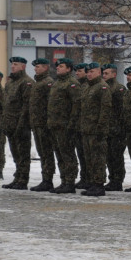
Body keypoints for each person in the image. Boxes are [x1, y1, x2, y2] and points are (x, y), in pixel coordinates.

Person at [78, 62, 112, 197]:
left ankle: (99, 185)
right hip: (87, 129)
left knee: (98, 158)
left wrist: (101, 128)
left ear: (99, 72)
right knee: (89, 158)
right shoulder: (87, 87)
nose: (89, 74)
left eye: (92, 71)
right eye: (88, 72)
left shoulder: (102, 87)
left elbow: (105, 109)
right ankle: (92, 183)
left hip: (96, 130)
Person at [48, 59, 80, 194]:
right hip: (55, 125)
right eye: (57, 67)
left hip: (65, 125)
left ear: (68, 69)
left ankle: (70, 182)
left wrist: (71, 124)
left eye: (61, 66)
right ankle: (64, 180)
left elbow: (76, 105)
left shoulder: (72, 83)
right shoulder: (57, 83)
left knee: (68, 155)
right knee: (60, 155)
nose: (58, 69)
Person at [2, 56, 34, 189]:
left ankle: (23, 179)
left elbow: (26, 106)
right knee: (16, 153)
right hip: (10, 124)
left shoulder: (26, 82)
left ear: (23, 66)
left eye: (16, 64)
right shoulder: (10, 83)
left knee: (23, 154)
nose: (13, 66)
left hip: (21, 124)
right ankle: (17, 177)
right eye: (12, 64)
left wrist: (21, 125)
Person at [28, 59, 56, 192]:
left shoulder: (48, 83)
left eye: (38, 67)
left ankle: (48, 179)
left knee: (46, 152)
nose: (35, 69)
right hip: (37, 123)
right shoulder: (38, 83)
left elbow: (49, 105)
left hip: (44, 124)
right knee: (42, 153)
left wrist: (47, 121)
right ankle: (45, 178)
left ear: (45, 68)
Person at [102, 64, 127, 191]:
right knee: (109, 156)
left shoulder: (118, 88)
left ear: (114, 74)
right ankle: (112, 179)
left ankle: (117, 180)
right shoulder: (104, 88)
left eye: (107, 73)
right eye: (103, 73)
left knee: (116, 156)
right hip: (107, 128)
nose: (104, 75)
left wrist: (120, 127)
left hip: (117, 129)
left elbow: (122, 110)